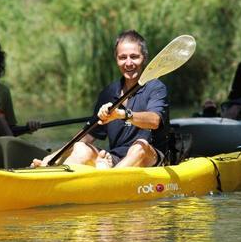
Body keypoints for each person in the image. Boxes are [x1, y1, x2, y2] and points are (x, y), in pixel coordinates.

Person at [31, 30, 169, 169]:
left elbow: (154, 121)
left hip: (150, 157)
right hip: (116, 159)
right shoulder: (109, 92)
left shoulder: (156, 87)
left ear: (144, 58)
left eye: (134, 57)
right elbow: (87, 135)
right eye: (122, 57)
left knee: (139, 146)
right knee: (80, 147)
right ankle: (53, 171)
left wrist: (122, 114)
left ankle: (109, 177)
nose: (128, 63)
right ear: (116, 59)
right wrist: (51, 158)